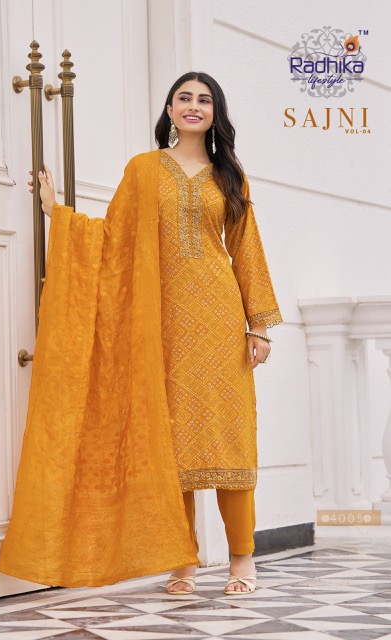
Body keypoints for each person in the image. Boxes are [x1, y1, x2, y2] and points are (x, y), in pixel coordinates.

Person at [28, 71, 282, 595]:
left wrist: (258, 324)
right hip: (160, 319)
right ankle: (181, 559)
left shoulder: (230, 175)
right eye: (184, 98)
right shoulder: (143, 170)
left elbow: (246, 248)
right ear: (169, 109)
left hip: (219, 318)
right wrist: (60, 215)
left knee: (230, 439)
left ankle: (242, 561)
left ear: (215, 113)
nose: (193, 106)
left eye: (204, 100)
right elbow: (114, 237)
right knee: (172, 443)